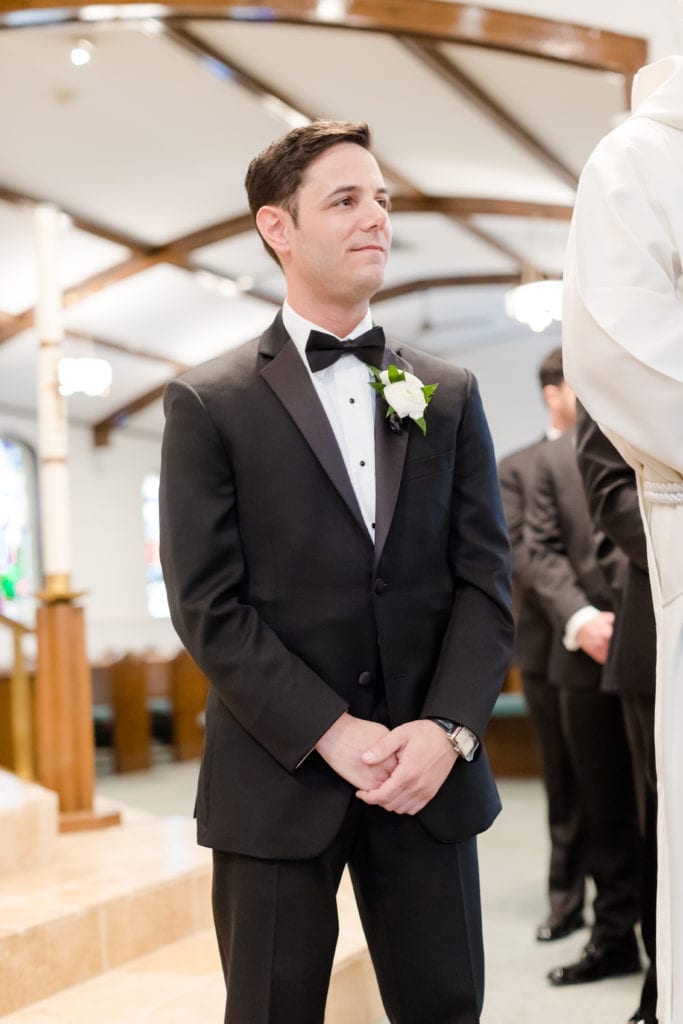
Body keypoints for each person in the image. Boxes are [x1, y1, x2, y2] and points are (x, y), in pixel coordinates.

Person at [159, 119, 513, 1024]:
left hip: (425, 780)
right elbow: (208, 605)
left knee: (445, 1008)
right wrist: (329, 729)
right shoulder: (208, 400)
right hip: (276, 780)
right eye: (346, 200)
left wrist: (446, 731)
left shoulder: (448, 391)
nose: (377, 220)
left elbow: (484, 583)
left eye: (383, 200)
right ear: (278, 228)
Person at [562, 54, 683, 1024]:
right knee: (631, 819)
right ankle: (637, 960)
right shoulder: (638, 163)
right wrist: (578, 612)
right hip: (640, 616)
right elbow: (601, 505)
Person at [525, 428, 642, 987]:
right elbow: (538, 548)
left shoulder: (656, 435)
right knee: (601, 808)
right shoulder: (551, 458)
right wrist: (581, 619)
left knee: (661, 805)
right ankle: (614, 937)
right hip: (581, 655)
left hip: (656, 643)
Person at [498, 347, 585, 943]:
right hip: (546, 644)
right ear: (552, 393)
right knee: (566, 780)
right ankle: (566, 897)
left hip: (612, 640)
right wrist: (575, 612)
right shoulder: (518, 466)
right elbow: (521, 555)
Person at [575, 400, 658, 1024]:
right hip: (662, 628)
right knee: (665, 826)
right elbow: (611, 494)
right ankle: (668, 984)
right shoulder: (619, 335)